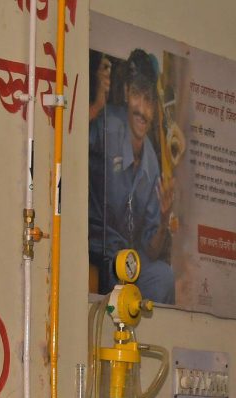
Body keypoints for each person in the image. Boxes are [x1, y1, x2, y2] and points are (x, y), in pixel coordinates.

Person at [88, 49, 176, 301]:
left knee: (164, 275)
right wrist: (95, 107)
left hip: (126, 264)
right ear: (126, 93)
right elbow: (69, 147)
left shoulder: (151, 164)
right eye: (137, 95)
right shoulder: (108, 125)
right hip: (93, 250)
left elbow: (151, 247)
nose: (143, 110)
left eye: (149, 100)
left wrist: (163, 218)